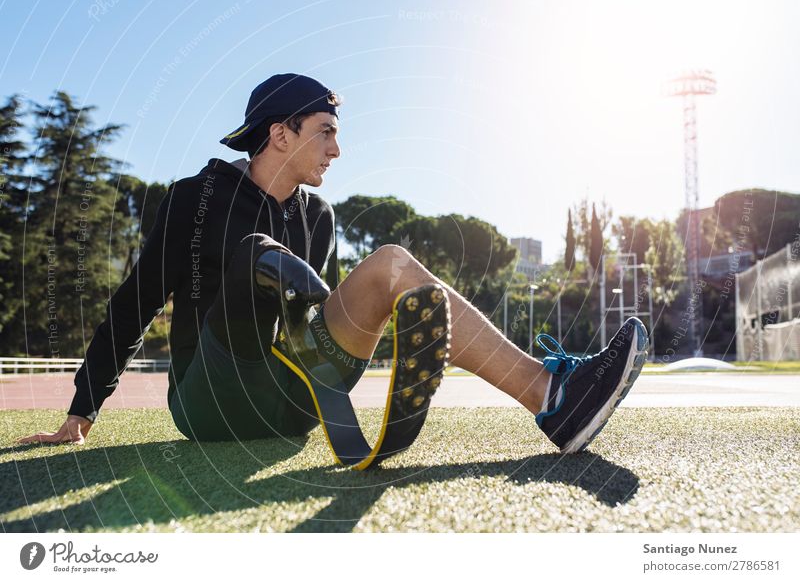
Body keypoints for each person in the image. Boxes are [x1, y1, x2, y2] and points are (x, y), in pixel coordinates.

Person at [17, 73, 648, 459]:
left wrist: (338, 334)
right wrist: (82, 412)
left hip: (289, 398)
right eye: (325, 131)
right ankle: (284, 282)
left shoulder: (319, 218)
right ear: (280, 134)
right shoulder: (195, 197)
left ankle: (553, 397)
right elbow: (133, 306)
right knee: (254, 258)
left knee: (393, 265)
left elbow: (308, 321)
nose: (338, 149)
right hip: (208, 401)